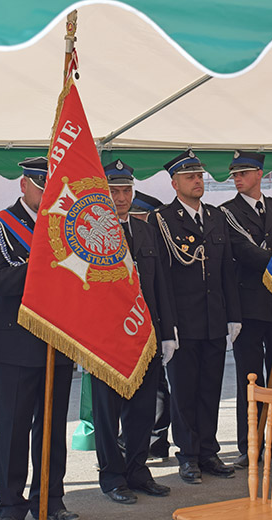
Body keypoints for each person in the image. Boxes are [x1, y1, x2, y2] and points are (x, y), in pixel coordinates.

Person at [0, 157, 78, 520]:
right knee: (14, 428)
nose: (45, 193)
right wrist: (45, 261)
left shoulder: (69, 229)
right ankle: (11, 504)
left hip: (59, 340)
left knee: (52, 428)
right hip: (15, 343)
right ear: (24, 186)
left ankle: (50, 500)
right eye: (39, 185)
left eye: (51, 187)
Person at [150, 149, 242, 484]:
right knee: (184, 392)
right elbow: (161, 276)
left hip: (213, 320)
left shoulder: (216, 216)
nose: (198, 181)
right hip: (182, 323)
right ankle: (187, 455)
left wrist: (233, 315)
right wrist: (166, 327)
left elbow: (226, 272)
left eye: (200, 176)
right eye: (190, 177)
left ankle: (208, 450)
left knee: (210, 389)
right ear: (175, 183)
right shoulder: (161, 219)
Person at [91, 160, 176, 505]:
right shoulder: (93, 233)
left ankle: (138, 470)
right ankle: (112, 476)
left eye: (127, 190)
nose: (122, 197)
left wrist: (167, 331)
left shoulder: (144, 230)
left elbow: (161, 285)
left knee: (142, 409)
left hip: (145, 335)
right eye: (114, 191)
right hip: (107, 337)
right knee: (108, 413)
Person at [219, 151, 272, 469]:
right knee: (251, 381)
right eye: (234, 174)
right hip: (248, 308)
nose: (237, 179)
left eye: (243, 173)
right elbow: (246, 253)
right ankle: (251, 447)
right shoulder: (226, 212)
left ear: (260, 174)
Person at [128, 191, 172, 460]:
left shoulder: (150, 235)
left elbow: (161, 286)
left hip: (150, 326)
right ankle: (137, 442)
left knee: (155, 389)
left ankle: (155, 440)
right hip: (126, 327)